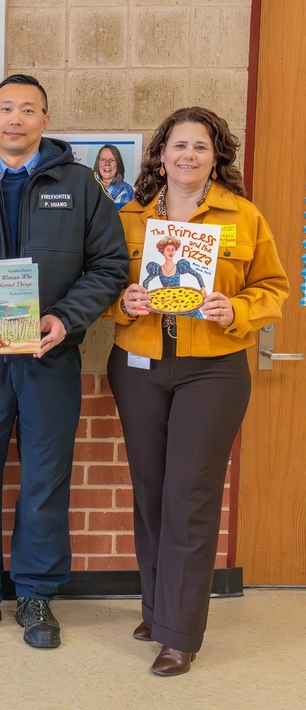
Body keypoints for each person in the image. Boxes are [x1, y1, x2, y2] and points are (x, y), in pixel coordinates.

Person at [0, 74, 129, 649]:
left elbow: (111, 267)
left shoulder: (81, 188)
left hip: (47, 357)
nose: (16, 118)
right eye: (5, 108)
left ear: (45, 118)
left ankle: (36, 595)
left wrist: (66, 318)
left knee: (43, 479)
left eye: (28, 109)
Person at [108, 107, 287, 676]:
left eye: (201, 147)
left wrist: (236, 307)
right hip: (138, 365)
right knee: (152, 488)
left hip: (212, 369)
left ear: (216, 157)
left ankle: (179, 633)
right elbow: (103, 284)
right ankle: (159, 609)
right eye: (177, 145)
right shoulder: (128, 218)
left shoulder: (243, 216)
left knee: (190, 493)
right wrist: (124, 302)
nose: (188, 155)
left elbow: (274, 287)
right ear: (160, 156)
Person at [95, 144, 135, 209]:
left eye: (112, 160)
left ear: (118, 164)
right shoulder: (87, 185)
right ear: (97, 163)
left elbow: (117, 218)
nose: (107, 163)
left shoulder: (126, 191)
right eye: (102, 159)